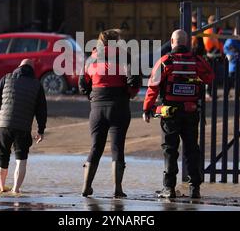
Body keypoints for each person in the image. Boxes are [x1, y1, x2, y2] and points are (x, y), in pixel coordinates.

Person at [142, 30, 214, 199]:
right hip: (191, 112)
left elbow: (153, 87)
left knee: (170, 150)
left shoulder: (166, 61)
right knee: (191, 150)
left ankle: (169, 188)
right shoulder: (197, 61)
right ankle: (194, 188)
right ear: (187, 43)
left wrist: (147, 109)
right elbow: (209, 77)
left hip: (170, 114)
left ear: (172, 41)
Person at [79, 29, 142, 198]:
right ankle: (117, 189)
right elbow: (134, 80)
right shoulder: (125, 57)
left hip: (97, 108)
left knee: (95, 147)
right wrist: (129, 94)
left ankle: (86, 187)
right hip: (119, 106)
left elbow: (82, 84)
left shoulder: (91, 59)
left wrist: (92, 97)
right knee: (117, 147)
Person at [0, 59, 47, 194]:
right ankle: (16, 190)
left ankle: (1, 187)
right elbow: (41, 110)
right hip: (23, 128)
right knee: (21, 159)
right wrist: (41, 130)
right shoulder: (37, 85)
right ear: (32, 70)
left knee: (2, 156)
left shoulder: (7, 78)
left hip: (3, 126)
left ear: (19, 67)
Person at [223, 28, 240, 96]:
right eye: (237, 32)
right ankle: (226, 93)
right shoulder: (231, 40)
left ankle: (238, 93)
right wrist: (232, 54)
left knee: (239, 80)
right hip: (233, 64)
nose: (239, 34)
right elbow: (225, 49)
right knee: (230, 79)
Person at [203, 15, 223, 99]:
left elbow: (220, 43)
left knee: (215, 76)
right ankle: (208, 93)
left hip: (217, 56)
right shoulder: (208, 31)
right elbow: (208, 44)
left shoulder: (217, 31)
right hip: (210, 56)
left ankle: (212, 93)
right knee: (209, 75)